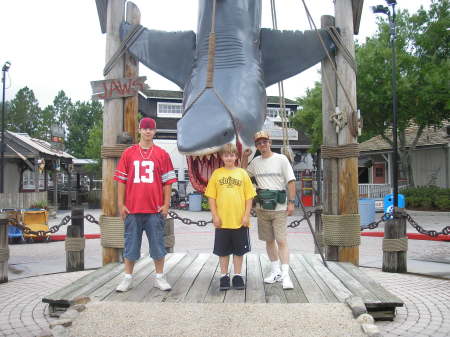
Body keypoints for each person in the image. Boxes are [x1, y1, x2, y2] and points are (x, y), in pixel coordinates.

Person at [114, 117, 177, 292]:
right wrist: (121, 203)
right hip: (133, 209)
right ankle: (127, 277)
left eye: (151, 129)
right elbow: (121, 180)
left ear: (155, 131)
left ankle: (159, 277)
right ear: (139, 130)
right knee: (131, 245)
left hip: (154, 210)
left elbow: (167, 182)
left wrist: (166, 204)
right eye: (145, 128)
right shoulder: (129, 153)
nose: (148, 131)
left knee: (157, 244)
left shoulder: (162, 154)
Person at [241, 131, 296, 289]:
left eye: (264, 142)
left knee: (281, 240)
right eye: (259, 143)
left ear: (270, 142)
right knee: (269, 241)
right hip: (262, 207)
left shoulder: (281, 159)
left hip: (279, 208)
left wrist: (291, 203)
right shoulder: (256, 162)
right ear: (256, 146)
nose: (262, 145)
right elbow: (243, 174)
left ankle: (286, 275)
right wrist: (245, 157)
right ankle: (275, 271)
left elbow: (291, 181)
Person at [205, 143, 256, 290]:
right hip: (222, 221)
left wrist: (247, 216)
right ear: (222, 157)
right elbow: (211, 197)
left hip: (240, 221)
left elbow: (249, 197)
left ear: (236, 156)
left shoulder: (242, 173)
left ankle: (238, 275)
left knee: (239, 251)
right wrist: (214, 215)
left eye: (232, 155)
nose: (229, 157)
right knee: (223, 251)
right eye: (226, 155)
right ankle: (224, 275)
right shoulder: (217, 174)